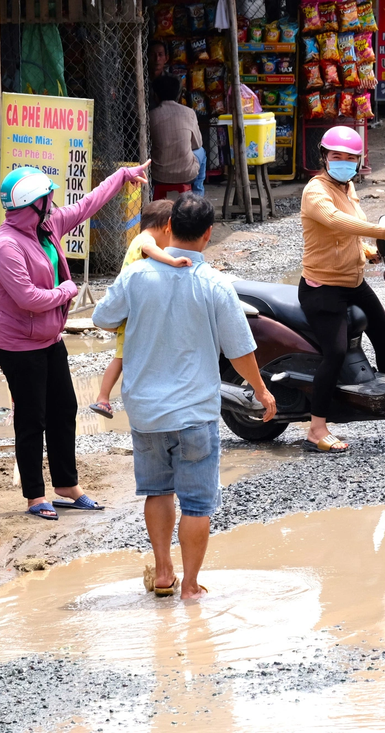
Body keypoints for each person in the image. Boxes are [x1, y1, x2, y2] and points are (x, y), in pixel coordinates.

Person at [92, 193, 277, 600]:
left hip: (146, 411)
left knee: (157, 491)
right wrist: (260, 390)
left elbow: (102, 318)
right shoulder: (214, 284)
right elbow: (240, 350)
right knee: (196, 503)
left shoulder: (137, 275)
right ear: (208, 235)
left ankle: (162, 573)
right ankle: (190, 586)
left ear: (169, 228)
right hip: (195, 412)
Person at [0, 161, 150, 520]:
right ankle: (34, 495)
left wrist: (122, 175)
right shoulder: (6, 246)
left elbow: (87, 205)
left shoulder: (45, 227)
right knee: (32, 420)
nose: (53, 201)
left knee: (63, 411)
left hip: (49, 340)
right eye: (48, 197)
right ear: (34, 203)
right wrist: (67, 291)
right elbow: (28, 298)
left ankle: (66, 486)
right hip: (19, 347)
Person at [298, 126, 385, 454]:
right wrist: (381, 231)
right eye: (337, 157)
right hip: (323, 287)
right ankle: (316, 429)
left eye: (350, 158)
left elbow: (349, 235)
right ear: (324, 157)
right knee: (336, 352)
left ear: (358, 162)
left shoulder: (348, 188)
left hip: (353, 283)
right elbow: (334, 222)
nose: (343, 163)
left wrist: (369, 251)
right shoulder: (316, 191)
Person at [88, 199, 194, 419]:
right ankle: (103, 398)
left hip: (127, 308)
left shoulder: (138, 238)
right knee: (121, 358)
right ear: (168, 227)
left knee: (125, 357)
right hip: (129, 313)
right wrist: (173, 261)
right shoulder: (145, 240)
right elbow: (150, 249)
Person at [150, 75, 207, 198]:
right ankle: (197, 198)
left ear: (155, 95)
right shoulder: (189, 112)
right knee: (201, 151)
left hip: (158, 174)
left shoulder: (151, 115)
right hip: (186, 173)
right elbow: (197, 144)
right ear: (179, 94)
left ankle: (152, 197)